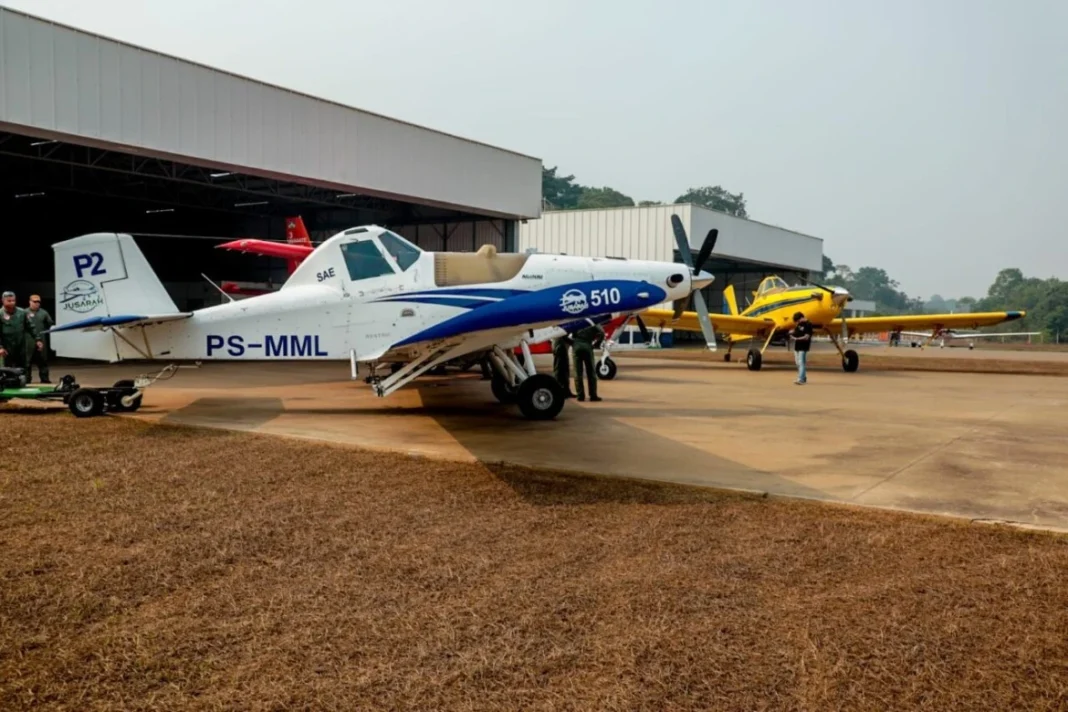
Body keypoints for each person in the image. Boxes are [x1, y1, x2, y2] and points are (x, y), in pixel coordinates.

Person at [0, 291, 43, 375]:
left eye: (13, 300)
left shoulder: (22, 312)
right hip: (6, 346)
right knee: (7, 369)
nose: (12, 303)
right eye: (9, 301)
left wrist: (38, 340)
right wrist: (0, 347)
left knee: (23, 368)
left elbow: (31, 327)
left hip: (21, 345)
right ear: (3, 301)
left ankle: (23, 383)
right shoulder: (0, 314)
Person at [572, 321, 605, 402]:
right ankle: (593, 395)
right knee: (591, 373)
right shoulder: (592, 320)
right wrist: (596, 344)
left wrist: (574, 343)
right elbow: (602, 333)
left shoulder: (577, 320)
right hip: (587, 346)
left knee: (577, 373)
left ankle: (580, 396)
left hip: (576, 346)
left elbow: (568, 333)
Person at [25, 294, 54, 383]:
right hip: (28, 341)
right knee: (27, 362)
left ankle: (45, 379)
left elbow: (51, 323)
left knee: (43, 361)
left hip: (41, 340)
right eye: (35, 302)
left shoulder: (44, 313)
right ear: (30, 302)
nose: (37, 303)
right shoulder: (24, 312)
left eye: (38, 302)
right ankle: (26, 379)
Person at [789, 311, 812, 385]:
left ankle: (801, 379)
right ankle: (803, 377)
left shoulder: (809, 324)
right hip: (797, 346)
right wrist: (791, 333)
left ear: (802, 318)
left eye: (798, 320)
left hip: (803, 346)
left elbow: (807, 337)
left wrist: (796, 339)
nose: (798, 322)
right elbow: (796, 331)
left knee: (801, 363)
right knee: (798, 363)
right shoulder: (799, 324)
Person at [551, 334, 577, 398]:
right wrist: (575, 342)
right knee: (559, 371)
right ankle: (558, 391)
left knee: (565, 371)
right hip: (560, 347)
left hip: (560, 346)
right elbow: (562, 335)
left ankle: (566, 391)